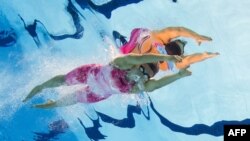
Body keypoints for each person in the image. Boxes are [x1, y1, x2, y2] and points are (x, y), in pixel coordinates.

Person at [22, 52, 218, 109]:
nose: (142, 75)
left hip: (97, 94)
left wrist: (178, 76)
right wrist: (165, 59)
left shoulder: (135, 87)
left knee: (66, 101)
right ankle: (41, 86)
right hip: (89, 74)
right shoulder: (122, 63)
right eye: (142, 69)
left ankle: (47, 105)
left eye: (146, 75)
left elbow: (156, 85)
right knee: (64, 80)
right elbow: (139, 59)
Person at [113, 27, 214, 76]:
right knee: (126, 52)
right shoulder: (156, 40)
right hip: (137, 41)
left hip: (141, 46)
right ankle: (122, 41)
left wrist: (203, 55)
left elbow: (188, 60)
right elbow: (188, 60)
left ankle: (122, 42)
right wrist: (198, 38)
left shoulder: (166, 63)